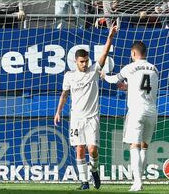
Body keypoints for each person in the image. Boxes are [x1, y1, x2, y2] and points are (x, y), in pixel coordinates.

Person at [54, 25, 118, 190]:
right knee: (80, 150)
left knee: (92, 150)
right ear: (75, 61)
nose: (84, 64)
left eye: (86, 61)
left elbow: (104, 54)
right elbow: (64, 95)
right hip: (76, 118)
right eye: (81, 62)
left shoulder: (94, 70)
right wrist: (58, 112)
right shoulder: (69, 76)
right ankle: (84, 182)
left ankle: (94, 170)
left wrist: (110, 37)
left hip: (92, 118)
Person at [101, 41, 158, 192]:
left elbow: (114, 79)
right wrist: (127, 87)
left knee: (134, 146)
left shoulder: (130, 67)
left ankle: (137, 183)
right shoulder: (154, 69)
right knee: (145, 146)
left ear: (133, 53)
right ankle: (141, 180)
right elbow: (146, 88)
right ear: (145, 53)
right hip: (152, 111)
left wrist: (103, 75)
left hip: (136, 111)